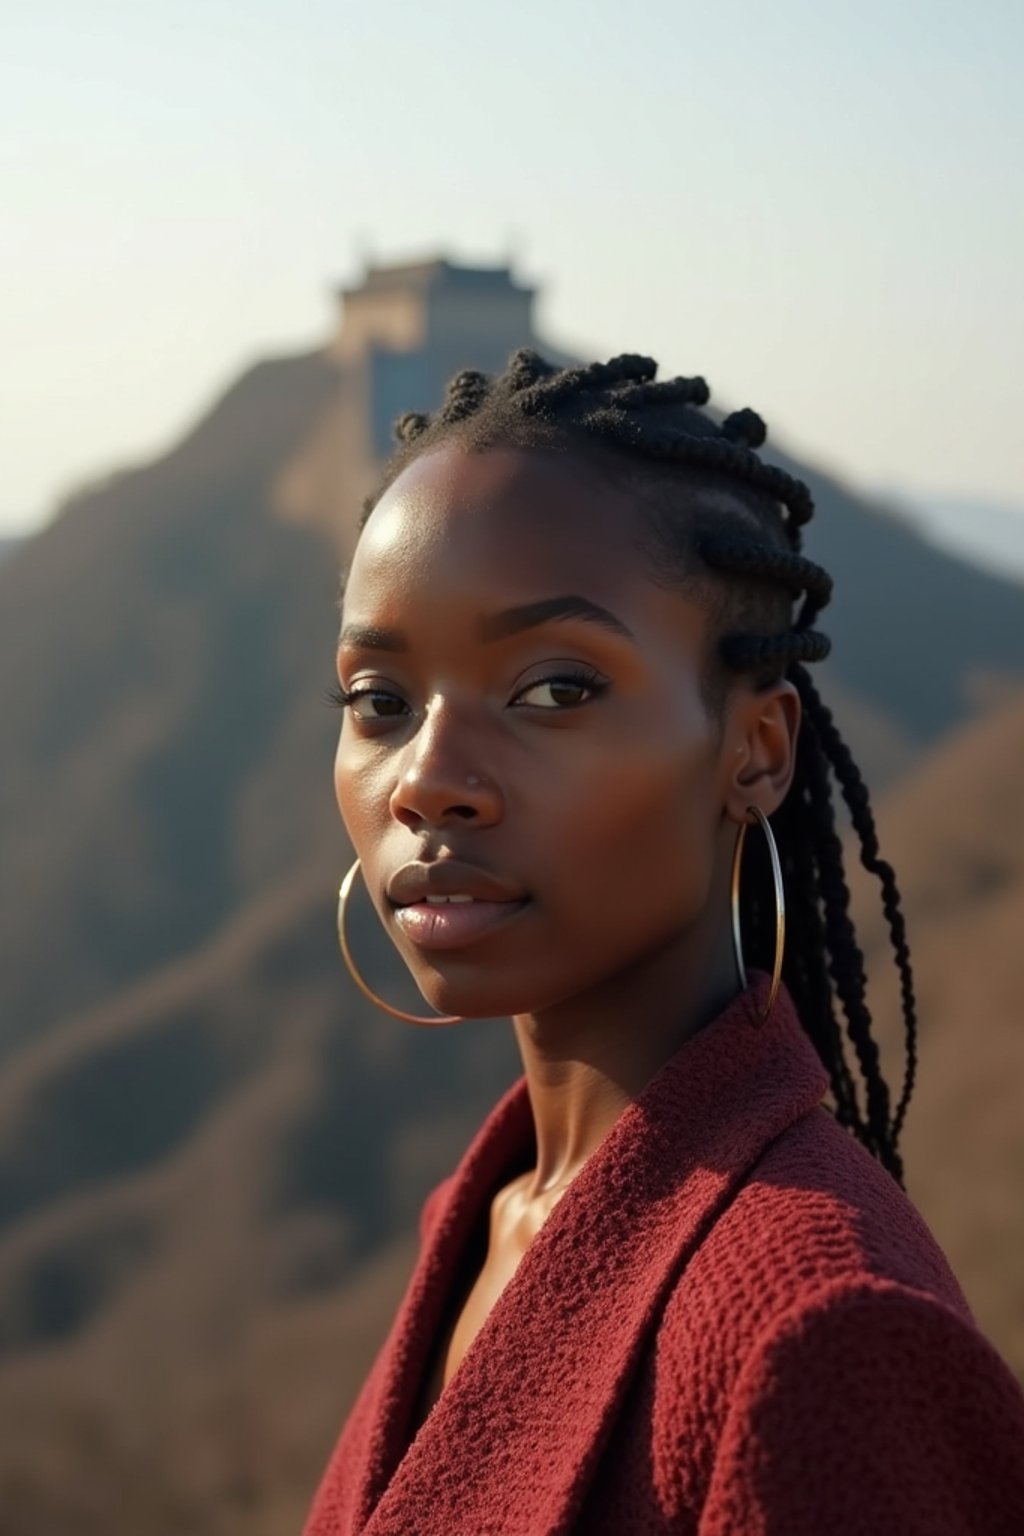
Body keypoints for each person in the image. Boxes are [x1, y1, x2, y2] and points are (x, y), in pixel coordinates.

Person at [303, 350, 1024, 1535]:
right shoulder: (478, 1220)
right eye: (380, 700)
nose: (427, 782)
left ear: (754, 750)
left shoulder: (818, 1332)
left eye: (554, 689)